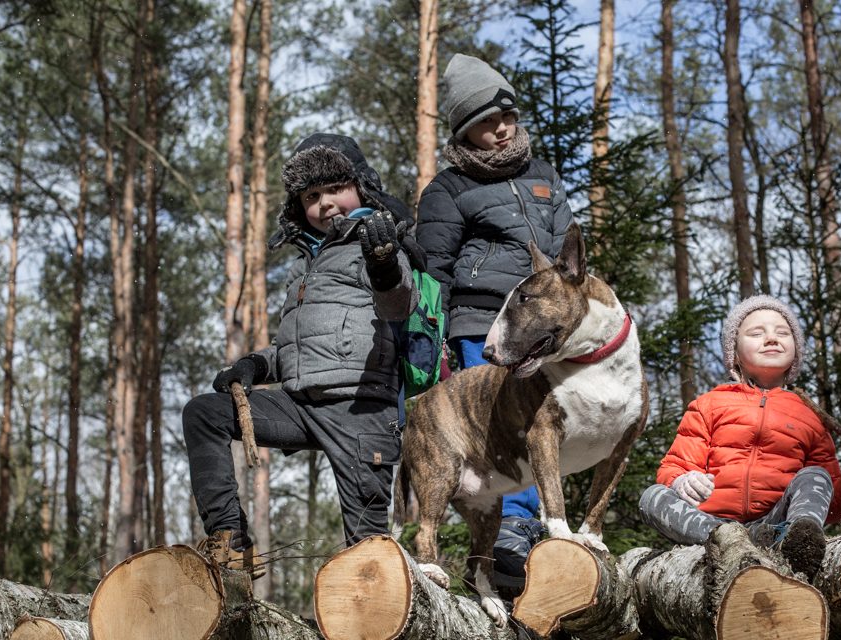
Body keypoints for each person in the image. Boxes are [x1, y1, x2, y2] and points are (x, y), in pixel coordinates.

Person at [183, 133, 417, 576]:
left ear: (360, 188)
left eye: (335, 189)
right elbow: (297, 347)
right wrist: (255, 364)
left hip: (361, 409)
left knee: (367, 555)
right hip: (300, 403)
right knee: (204, 414)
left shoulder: (379, 242)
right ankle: (230, 544)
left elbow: (399, 305)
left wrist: (384, 263)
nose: (326, 203)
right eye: (313, 195)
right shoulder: (302, 265)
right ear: (299, 207)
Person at [416, 53, 574, 591]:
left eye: (505, 115)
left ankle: (535, 533)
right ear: (465, 130)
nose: (501, 128)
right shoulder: (448, 190)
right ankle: (506, 536)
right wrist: (429, 342)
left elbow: (566, 255)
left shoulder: (544, 177)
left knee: (548, 426)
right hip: (483, 325)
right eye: (486, 122)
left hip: (547, 328)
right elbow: (432, 273)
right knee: (502, 432)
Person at [638, 295, 841, 578]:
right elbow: (673, 467)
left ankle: (795, 546)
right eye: (757, 333)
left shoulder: (811, 417)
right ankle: (727, 543)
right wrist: (681, 480)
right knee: (652, 496)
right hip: (709, 526)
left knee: (815, 476)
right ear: (734, 352)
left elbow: (826, 503)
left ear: (796, 351)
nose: (771, 338)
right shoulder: (709, 404)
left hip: (774, 527)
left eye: (783, 333)